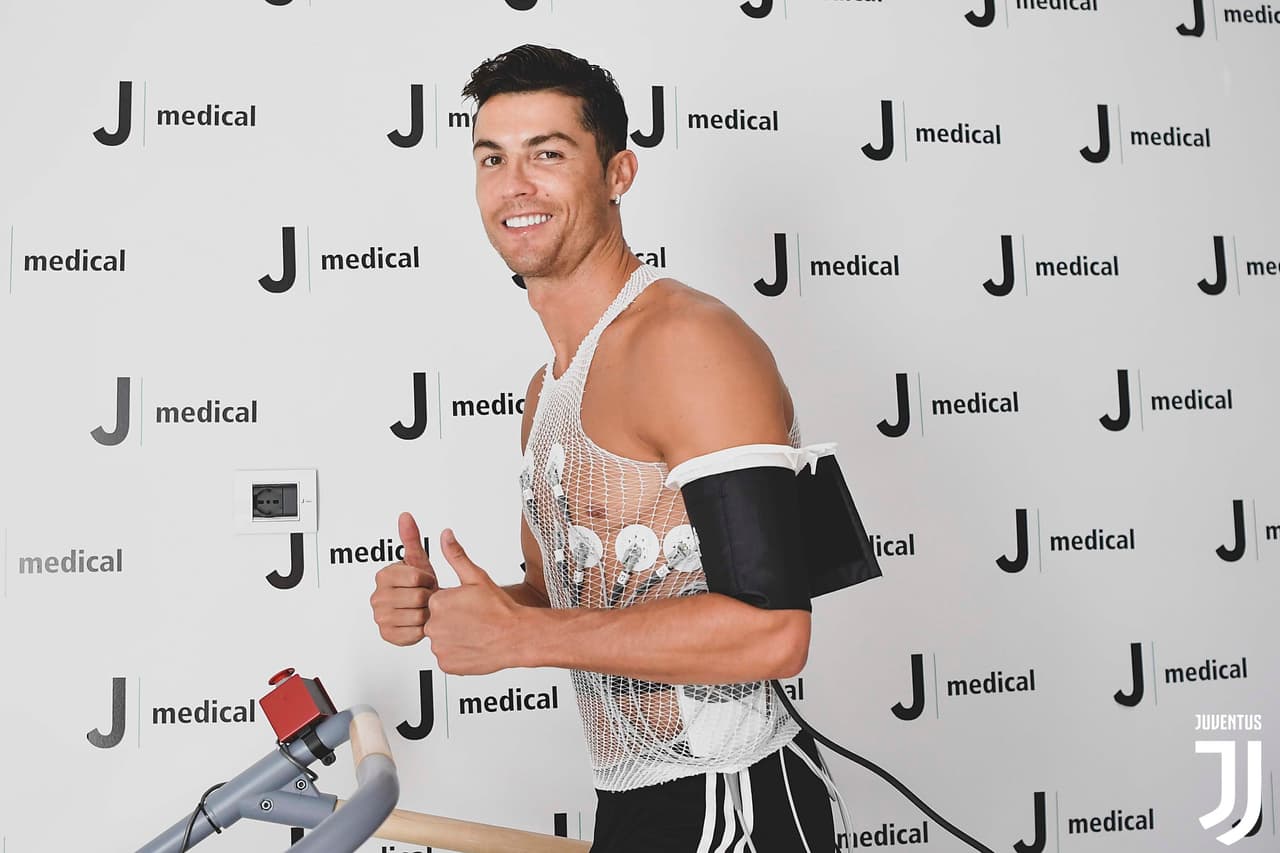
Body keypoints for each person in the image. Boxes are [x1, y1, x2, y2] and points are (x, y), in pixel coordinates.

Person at [370, 44, 837, 852]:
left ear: (618, 173)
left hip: (736, 800)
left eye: (547, 154)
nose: (515, 185)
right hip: (635, 798)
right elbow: (569, 601)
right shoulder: (545, 388)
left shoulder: (685, 343)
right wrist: (458, 610)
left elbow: (773, 631)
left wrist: (521, 639)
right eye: (493, 157)